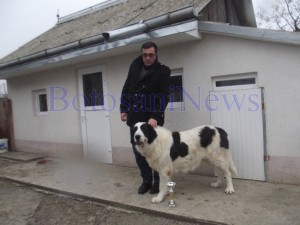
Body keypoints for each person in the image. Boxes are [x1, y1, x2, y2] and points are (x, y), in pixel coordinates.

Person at [120, 41, 171, 194]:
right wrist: (124, 108)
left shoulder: (163, 71)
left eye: (151, 55)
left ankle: (157, 181)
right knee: (138, 152)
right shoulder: (134, 66)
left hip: (151, 120)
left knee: (156, 152)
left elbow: (164, 96)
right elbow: (127, 88)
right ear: (141, 54)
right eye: (145, 55)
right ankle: (146, 180)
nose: (147, 58)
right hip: (135, 117)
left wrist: (155, 115)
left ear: (156, 55)